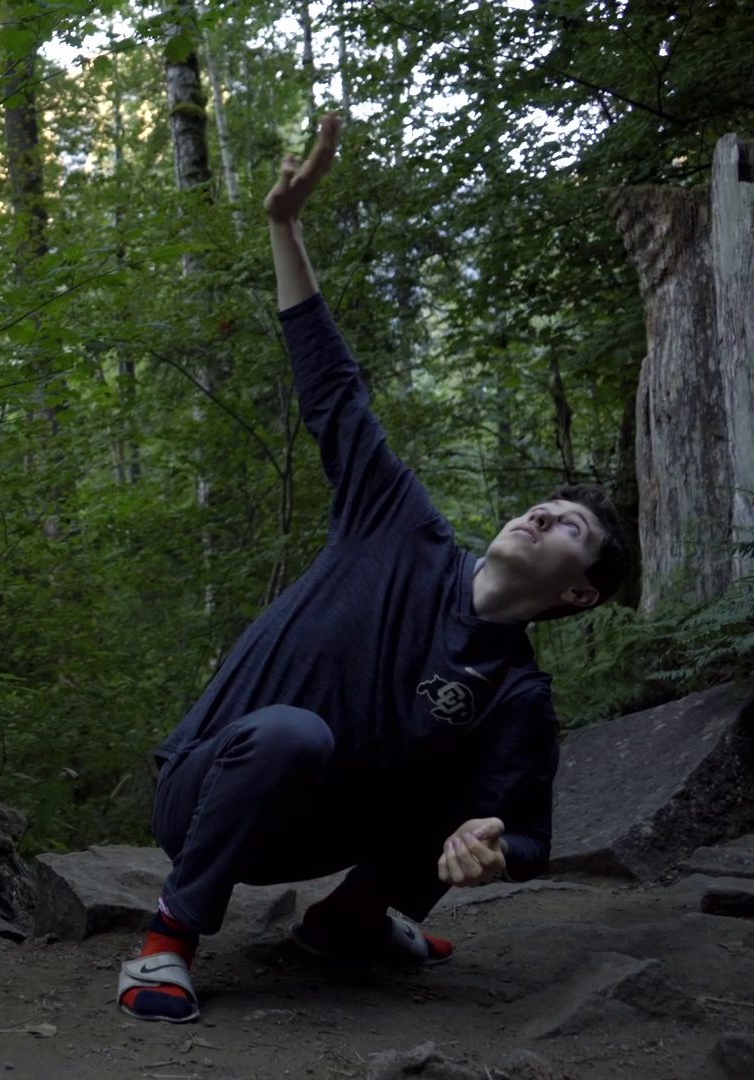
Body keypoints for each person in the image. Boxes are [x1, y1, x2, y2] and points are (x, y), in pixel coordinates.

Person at [115, 113, 635, 1024]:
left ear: (577, 591)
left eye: (572, 528)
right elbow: (332, 389)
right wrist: (285, 225)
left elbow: (528, 835)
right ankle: (168, 941)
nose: (542, 513)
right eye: (546, 504)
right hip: (208, 791)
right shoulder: (399, 526)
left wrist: (490, 845)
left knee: (454, 785)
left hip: (320, 831)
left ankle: (349, 922)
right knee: (291, 734)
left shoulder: (516, 696)